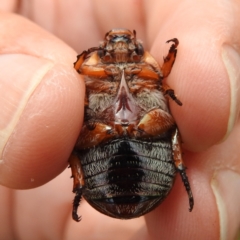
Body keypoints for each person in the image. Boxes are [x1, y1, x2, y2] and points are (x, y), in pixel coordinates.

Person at [0, 1, 240, 239]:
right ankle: (81, 186)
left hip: (140, 163)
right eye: (106, 51)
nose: (120, 52)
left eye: (134, 50)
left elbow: (163, 74)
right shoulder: (86, 76)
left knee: (166, 125)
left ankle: (179, 166)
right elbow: (76, 74)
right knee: (86, 130)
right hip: (109, 163)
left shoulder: (151, 74)